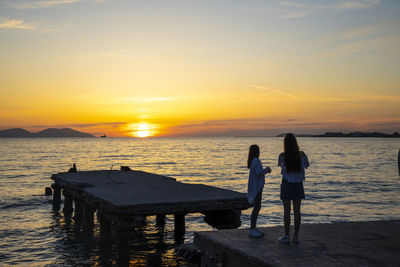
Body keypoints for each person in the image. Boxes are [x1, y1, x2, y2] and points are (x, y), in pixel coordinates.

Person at [278, 133, 309, 244]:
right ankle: (296, 236)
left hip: (287, 184)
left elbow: (282, 170)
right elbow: (306, 165)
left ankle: (286, 236)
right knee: (297, 211)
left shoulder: (282, 156)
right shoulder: (302, 155)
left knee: (287, 211)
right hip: (298, 184)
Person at [247, 144, 271, 238]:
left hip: (256, 187)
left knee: (257, 207)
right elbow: (259, 172)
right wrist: (267, 170)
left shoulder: (253, 161)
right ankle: (252, 228)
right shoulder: (256, 160)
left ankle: (253, 227)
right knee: (257, 207)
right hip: (257, 188)